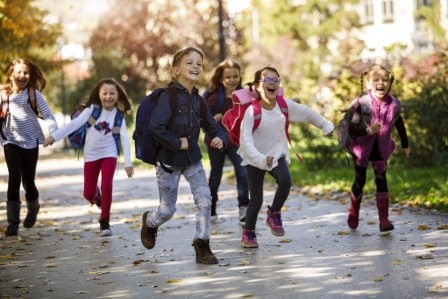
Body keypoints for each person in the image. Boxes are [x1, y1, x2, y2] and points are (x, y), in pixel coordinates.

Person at [140, 47, 228, 265]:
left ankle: (202, 245)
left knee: (205, 200)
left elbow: (212, 125)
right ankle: (150, 222)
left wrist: (221, 137)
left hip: (193, 161)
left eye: (199, 63)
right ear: (176, 70)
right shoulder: (167, 96)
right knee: (167, 210)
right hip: (168, 163)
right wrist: (175, 142)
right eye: (189, 63)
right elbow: (155, 126)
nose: (196, 66)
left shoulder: (198, 100)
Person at [237, 66, 334, 248]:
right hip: (255, 158)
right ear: (258, 86)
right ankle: (248, 233)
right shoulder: (252, 111)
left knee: (286, 181)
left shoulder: (284, 105)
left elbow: (306, 112)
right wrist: (259, 159)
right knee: (255, 200)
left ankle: (274, 213)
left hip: (276, 155)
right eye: (267, 80)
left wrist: (325, 125)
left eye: (276, 80)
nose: (272, 83)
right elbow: (246, 141)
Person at [44, 78, 134, 236]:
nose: (108, 96)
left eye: (112, 93)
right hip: (91, 155)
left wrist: (128, 163)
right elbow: (74, 124)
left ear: (118, 95)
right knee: (88, 194)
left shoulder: (118, 115)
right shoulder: (92, 110)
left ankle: (105, 220)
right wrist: (54, 137)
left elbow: (125, 139)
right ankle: (98, 200)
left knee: (107, 185)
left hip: (109, 154)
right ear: (99, 94)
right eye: (104, 93)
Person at [346, 65, 410, 232]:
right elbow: (351, 128)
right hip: (361, 148)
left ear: (389, 83)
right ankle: (353, 212)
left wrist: (405, 144)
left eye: (385, 80)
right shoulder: (363, 104)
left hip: (381, 148)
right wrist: (367, 130)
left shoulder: (393, 104)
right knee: (360, 182)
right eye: (376, 80)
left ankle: (384, 220)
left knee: (381, 180)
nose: (381, 83)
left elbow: (399, 123)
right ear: (369, 84)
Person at [1, 58, 59, 236]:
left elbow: (48, 115)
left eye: (26, 72)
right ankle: (13, 223)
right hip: (10, 141)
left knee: (28, 182)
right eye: (18, 72)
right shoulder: (3, 95)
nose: (22, 75)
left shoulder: (33, 94)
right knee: (14, 179)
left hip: (31, 142)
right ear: (11, 75)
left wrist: (52, 134)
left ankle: (33, 208)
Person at [203, 60, 250, 223]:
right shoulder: (216, 96)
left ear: (240, 76)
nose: (232, 80)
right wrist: (213, 119)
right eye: (228, 77)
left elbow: (255, 109)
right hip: (216, 141)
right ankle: (212, 208)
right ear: (221, 78)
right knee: (216, 175)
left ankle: (244, 207)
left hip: (235, 140)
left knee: (243, 171)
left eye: (235, 76)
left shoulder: (244, 94)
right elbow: (202, 116)